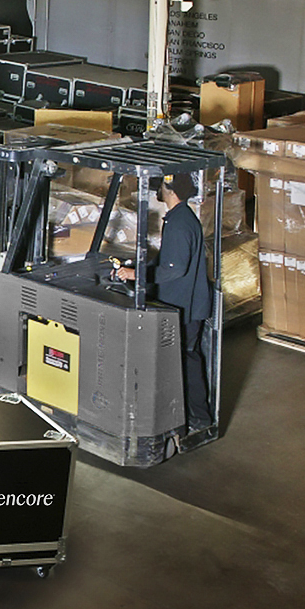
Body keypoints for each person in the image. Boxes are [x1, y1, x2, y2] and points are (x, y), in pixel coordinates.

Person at [115, 172, 213, 432]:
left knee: (184, 362)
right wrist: (140, 266)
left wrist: (136, 275)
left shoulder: (180, 224)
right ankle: (193, 418)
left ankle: (195, 419)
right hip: (184, 302)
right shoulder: (180, 217)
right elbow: (167, 262)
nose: (157, 190)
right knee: (185, 360)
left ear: (170, 190)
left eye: (161, 186)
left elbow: (174, 269)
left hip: (184, 307)